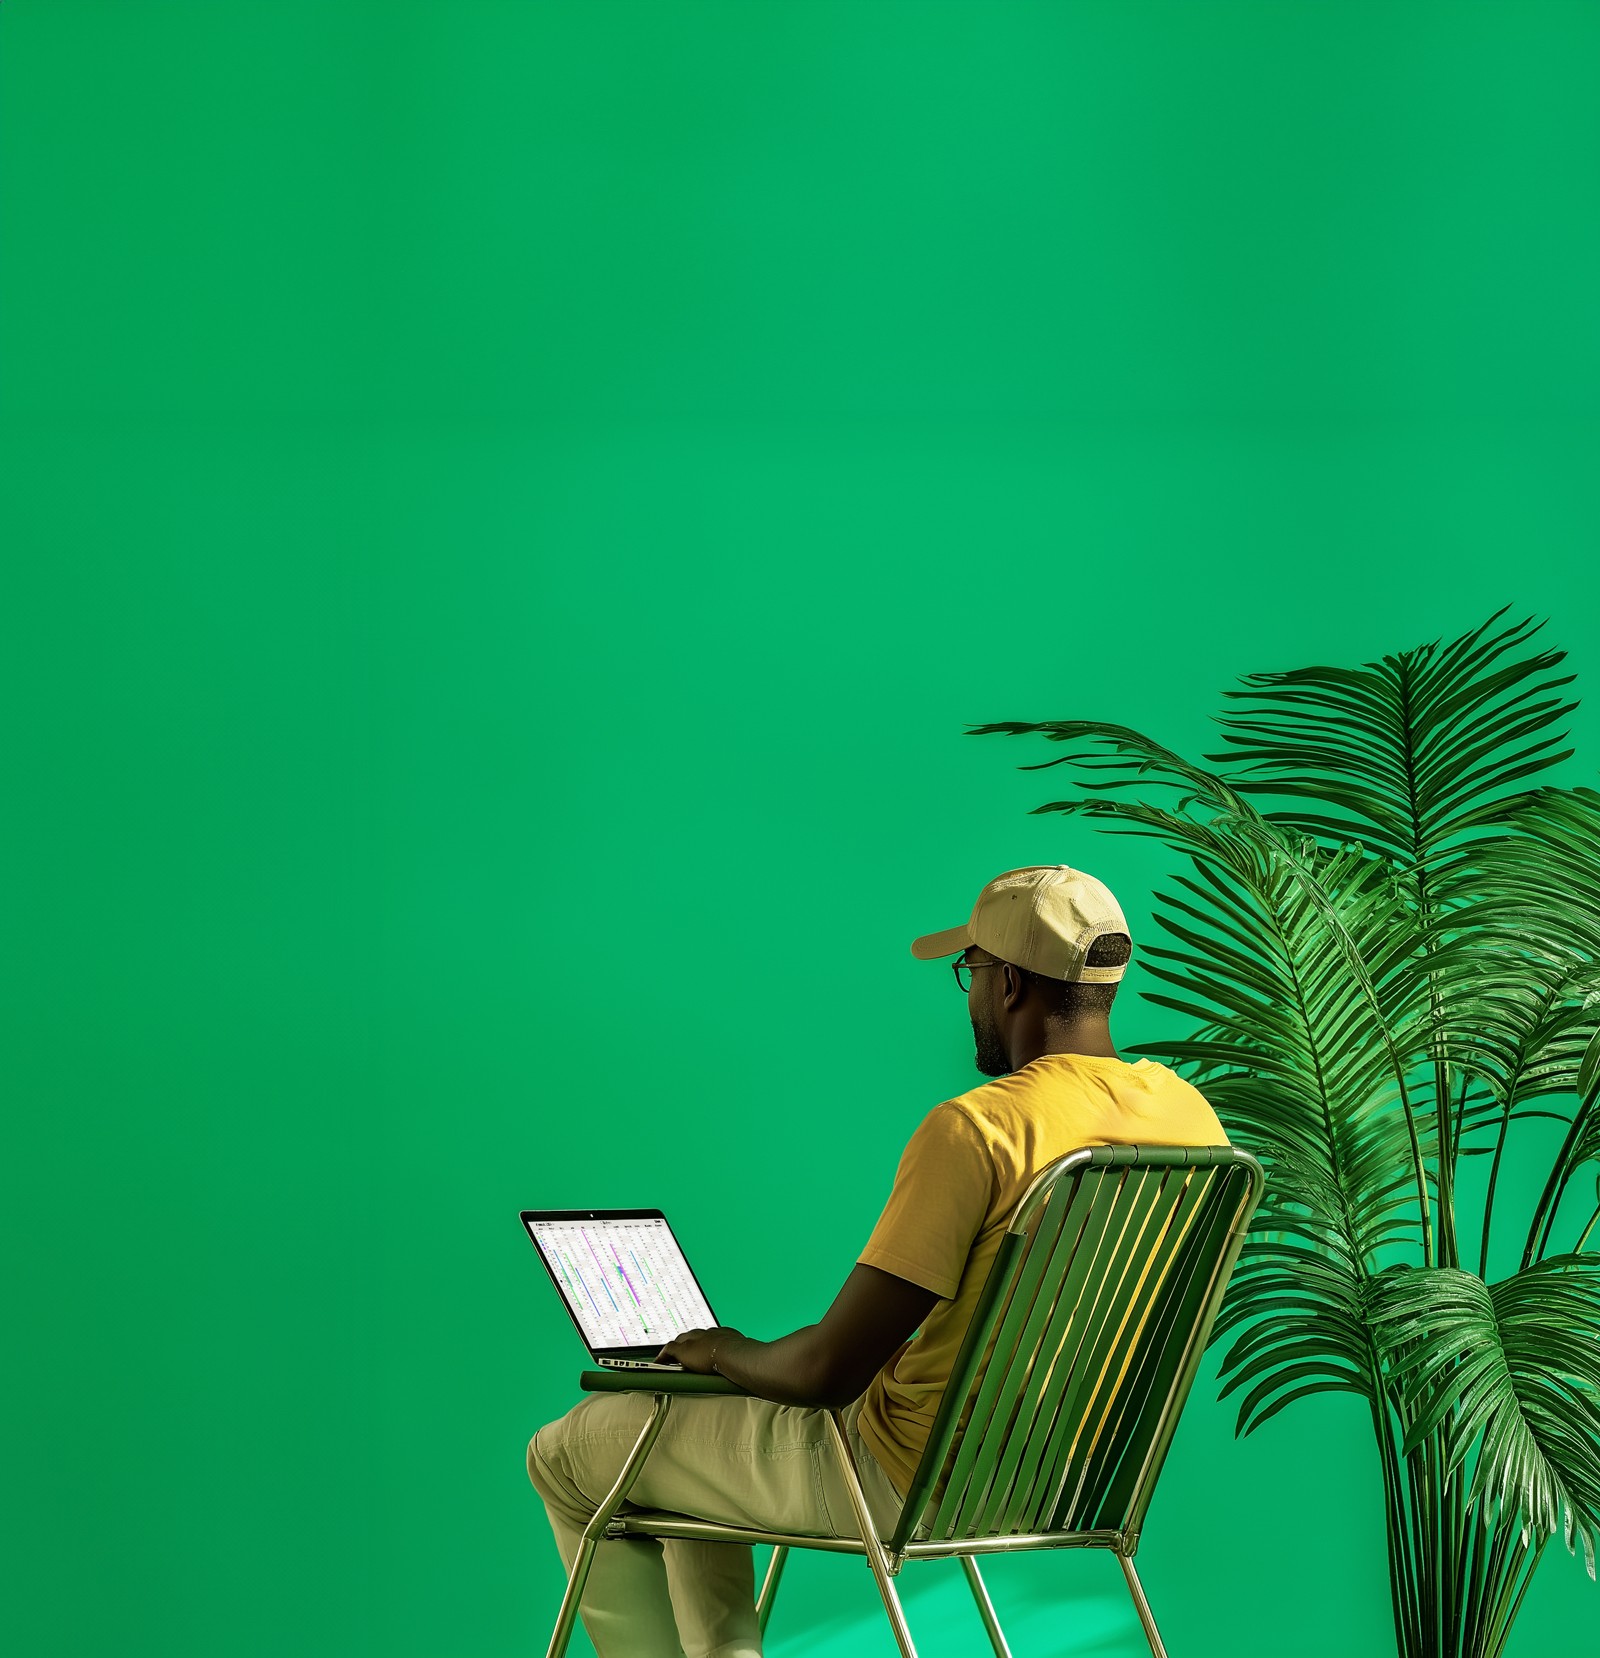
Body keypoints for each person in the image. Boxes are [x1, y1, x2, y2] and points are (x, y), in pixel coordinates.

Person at [526, 864, 1228, 1658]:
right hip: (1067, 1480)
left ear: (1007, 983)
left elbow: (828, 1373)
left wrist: (722, 1349)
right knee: (683, 1428)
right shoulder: (1190, 1119)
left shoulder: (982, 1128)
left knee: (569, 1451)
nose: (968, 996)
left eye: (970, 971)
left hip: (906, 1478)